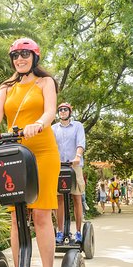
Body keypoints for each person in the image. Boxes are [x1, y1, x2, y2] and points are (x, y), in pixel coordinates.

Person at [0, 37, 61, 267]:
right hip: (14, 152)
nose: (20, 59)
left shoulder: (45, 82)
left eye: (25, 55)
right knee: (16, 217)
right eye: (16, 56)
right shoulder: (7, 86)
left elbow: (50, 111)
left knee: (41, 215)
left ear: (35, 57)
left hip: (43, 151)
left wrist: (39, 123)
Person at [52, 103, 86, 243]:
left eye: (65, 109)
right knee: (59, 198)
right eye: (60, 110)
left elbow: (81, 143)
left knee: (77, 197)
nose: (63, 112)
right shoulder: (53, 128)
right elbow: (51, 146)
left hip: (74, 166)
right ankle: (60, 232)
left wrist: (77, 156)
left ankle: (78, 232)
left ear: (70, 112)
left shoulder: (78, 126)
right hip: (58, 167)